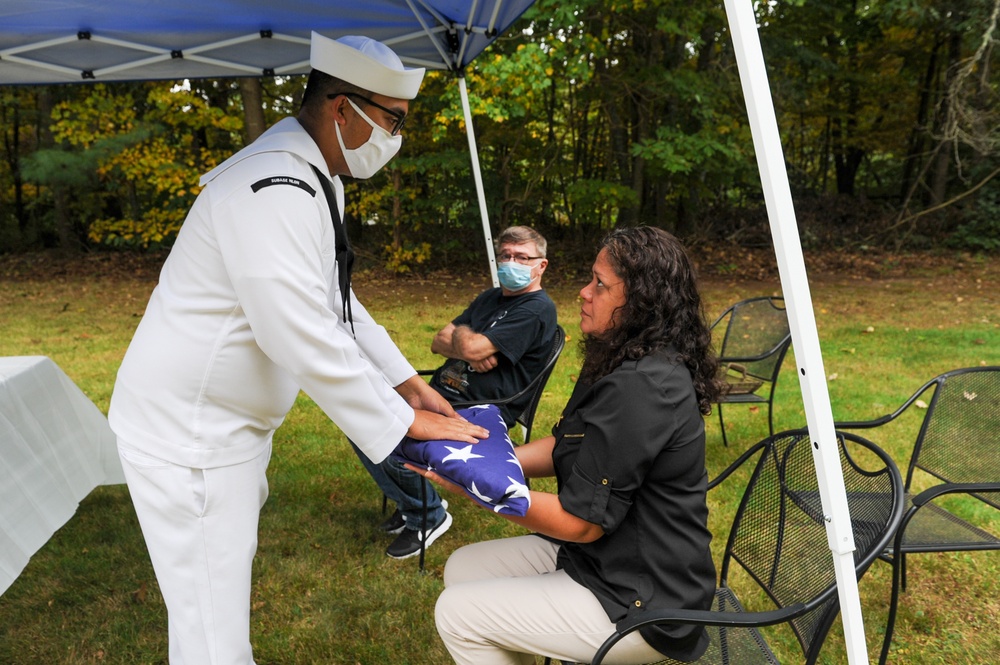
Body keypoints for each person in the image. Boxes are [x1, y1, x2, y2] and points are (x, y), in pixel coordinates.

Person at [107, 33, 488, 665]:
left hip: (223, 432)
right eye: (393, 121)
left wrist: (406, 383)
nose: (396, 138)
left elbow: (337, 304)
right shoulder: (275, 185)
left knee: (216, 603)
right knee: (210, 633)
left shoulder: (313, 176)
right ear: (343, 109)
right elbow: (295, 329)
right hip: (191, 437)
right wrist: (400, 423)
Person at [412, 226, 724, 665]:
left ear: (642, 300)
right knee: (461, 567)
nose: (583, 292)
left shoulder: (642, 388)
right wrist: (479, 457)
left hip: (643, 599)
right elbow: (566, 444)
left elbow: (582, 523)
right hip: (603, 559)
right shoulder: (622, 357)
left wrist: (486, 490)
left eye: (600, 283)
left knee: (457, 614)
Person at [354, 225, 559, 560]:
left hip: (479, 407)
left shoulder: (537, 308)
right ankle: (411, 500)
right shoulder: (490, 298)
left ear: (541, 265)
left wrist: (465, 341)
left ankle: (427, 515)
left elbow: (469, 344)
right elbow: (439, 340)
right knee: (357, 416)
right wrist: (469, 345)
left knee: (379, 428)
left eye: (522, 257)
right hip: (440, 394)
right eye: (505, 255)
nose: (511, 262)